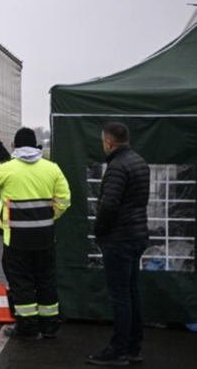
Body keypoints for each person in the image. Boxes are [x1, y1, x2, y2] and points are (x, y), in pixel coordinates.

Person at [0, 128, 71, 340]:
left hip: (16, 239)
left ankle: (28, 327)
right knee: (46, 279)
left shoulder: (7, 169)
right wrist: (48, 217)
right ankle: (50, 324)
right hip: (45, 236)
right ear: (36, 145)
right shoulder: (52, 168)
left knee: (22, 282)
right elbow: (64, 200)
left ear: (15, 146)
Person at [87, 122, 150, 366]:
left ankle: (118, 350)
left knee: (120, 296)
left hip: (119, 239)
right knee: (132, 292)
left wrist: (99, 231)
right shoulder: (139, 162)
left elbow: (109, 204)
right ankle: (134, 346)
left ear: (109, 142)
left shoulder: (116, 167)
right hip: (137, 236)